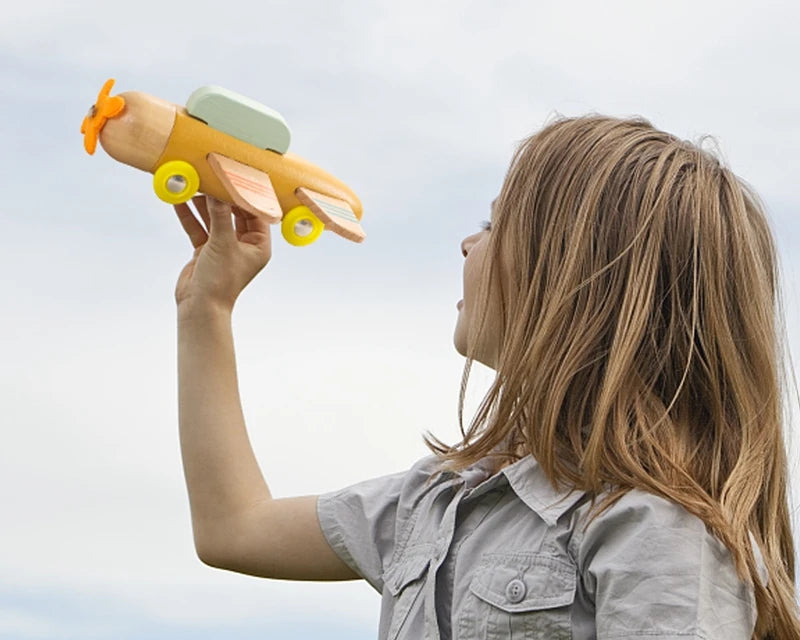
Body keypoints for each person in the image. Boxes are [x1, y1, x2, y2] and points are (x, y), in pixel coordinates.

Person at [173, 114, 800, 639]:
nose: (467, 244)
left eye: (495, 224)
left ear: (573, 274)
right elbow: (235, 528)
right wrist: (207, 309)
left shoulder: (656, 530)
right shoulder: (430, 503)